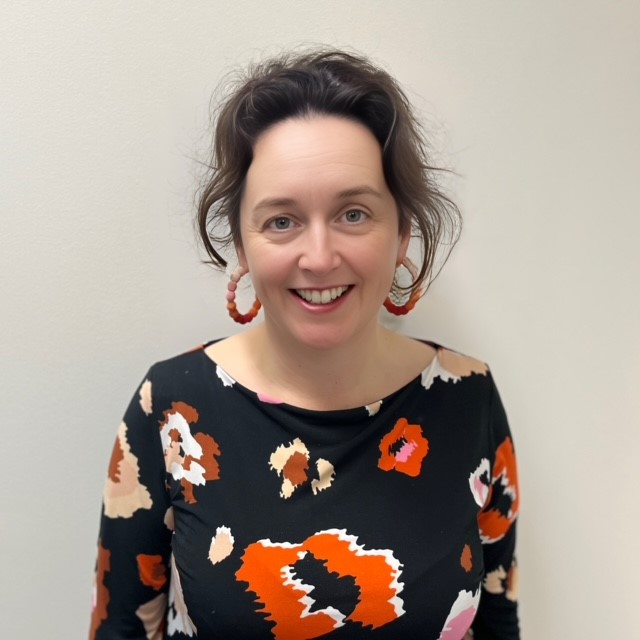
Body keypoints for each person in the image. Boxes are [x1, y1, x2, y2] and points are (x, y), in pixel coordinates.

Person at [90, 49, 520, 640]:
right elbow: (120, 628)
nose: (318, 257)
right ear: (242, 246)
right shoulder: (169, 407)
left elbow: (498, 617)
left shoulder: (468, 398)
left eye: (352, 213)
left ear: (402, 234)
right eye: (282, 221)